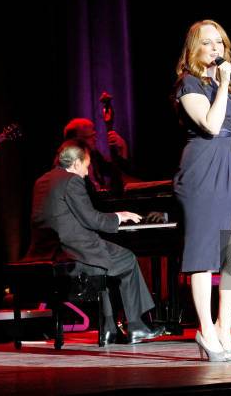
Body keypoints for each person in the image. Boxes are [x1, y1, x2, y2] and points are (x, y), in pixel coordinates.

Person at [25, 139, 166, 345]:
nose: (86, 173)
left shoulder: (42, 180)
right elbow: (91, 219)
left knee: (107, 265)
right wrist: (119, 216)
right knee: (127, 259)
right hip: (73, 251)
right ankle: (136, 326)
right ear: (75, 164)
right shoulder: (72, 180)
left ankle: (109, 329)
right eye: (86, 167)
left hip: (48, 251)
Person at [173, 20, 231, 361]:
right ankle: (205, 331)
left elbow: (223, 123)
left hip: (229, 169)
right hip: (202, 172)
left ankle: (224, 327)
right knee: (205, 254)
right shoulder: (188, 83)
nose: (216, 49)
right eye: (208, 43)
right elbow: (207, 124)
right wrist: (222, 87)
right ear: (195, 49)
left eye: (219, 43)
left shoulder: (223, 84)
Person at [58, 118, 129, 193]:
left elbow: (113, 170)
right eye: (90, 136)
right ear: (77, 139)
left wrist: (123, 148)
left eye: (94, 135)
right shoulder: (69, 162)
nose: (95, 139)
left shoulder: (93, 154)